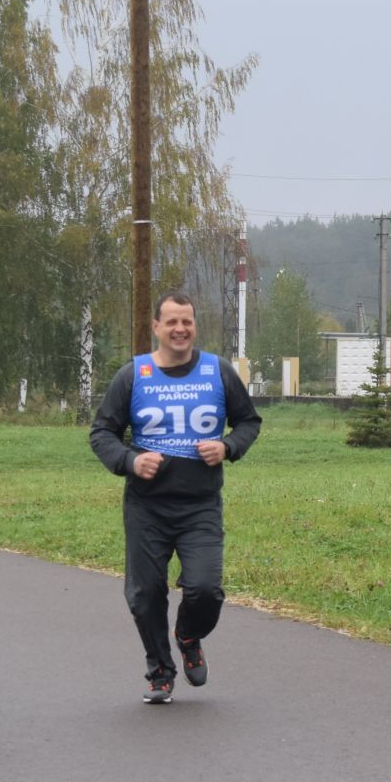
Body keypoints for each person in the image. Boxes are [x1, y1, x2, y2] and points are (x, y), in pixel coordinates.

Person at [89, 292, 261, 703]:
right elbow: (101, 433)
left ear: (195, 326)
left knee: (205, 589)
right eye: (171, 322)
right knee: (145, 593)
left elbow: (248, 422)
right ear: (156, 327)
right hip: (147, 505)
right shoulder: (134, 374)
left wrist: (228, 448)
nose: (180, 329)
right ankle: (160, 671)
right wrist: (130, 462)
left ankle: (188, 635)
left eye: (187, 322)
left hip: (200, 503)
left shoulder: (217, 371)